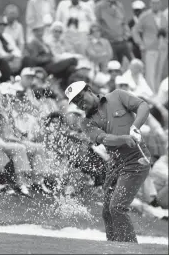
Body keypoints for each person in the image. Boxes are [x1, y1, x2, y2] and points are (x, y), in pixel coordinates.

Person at [65, 81, 151, 243]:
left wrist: (135, 127)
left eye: (80, 98)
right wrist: (123, 138)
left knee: (117, 207)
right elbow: (104, 138)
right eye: (75, 102)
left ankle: (129, 249)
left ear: (89, 90)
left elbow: (143, 106)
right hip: (116, 163)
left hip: (136, 160)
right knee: (107, 211)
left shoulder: (117, 95)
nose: (80, 104)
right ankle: (113, 247)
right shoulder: (86, 122)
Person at [133, 0, 168, 93]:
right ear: (150, 4)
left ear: (160, 4)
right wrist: (140, 43)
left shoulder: (164, 16)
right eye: (153, 3)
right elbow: (135, 30)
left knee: (159, 72)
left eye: (157, 3)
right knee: (150, 72)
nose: (155, 5)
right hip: (150, 47)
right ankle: (150, 93)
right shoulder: (145, 15)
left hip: (162, 47)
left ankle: (157, 92)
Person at [95, 0, 132, 64]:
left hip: (122, 41)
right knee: (114, 65)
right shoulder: (99, 6)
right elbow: (98, 23)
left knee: (131, 61)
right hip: (109, 42)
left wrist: (126, 35)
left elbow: (124, 22)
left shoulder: (119, 5)